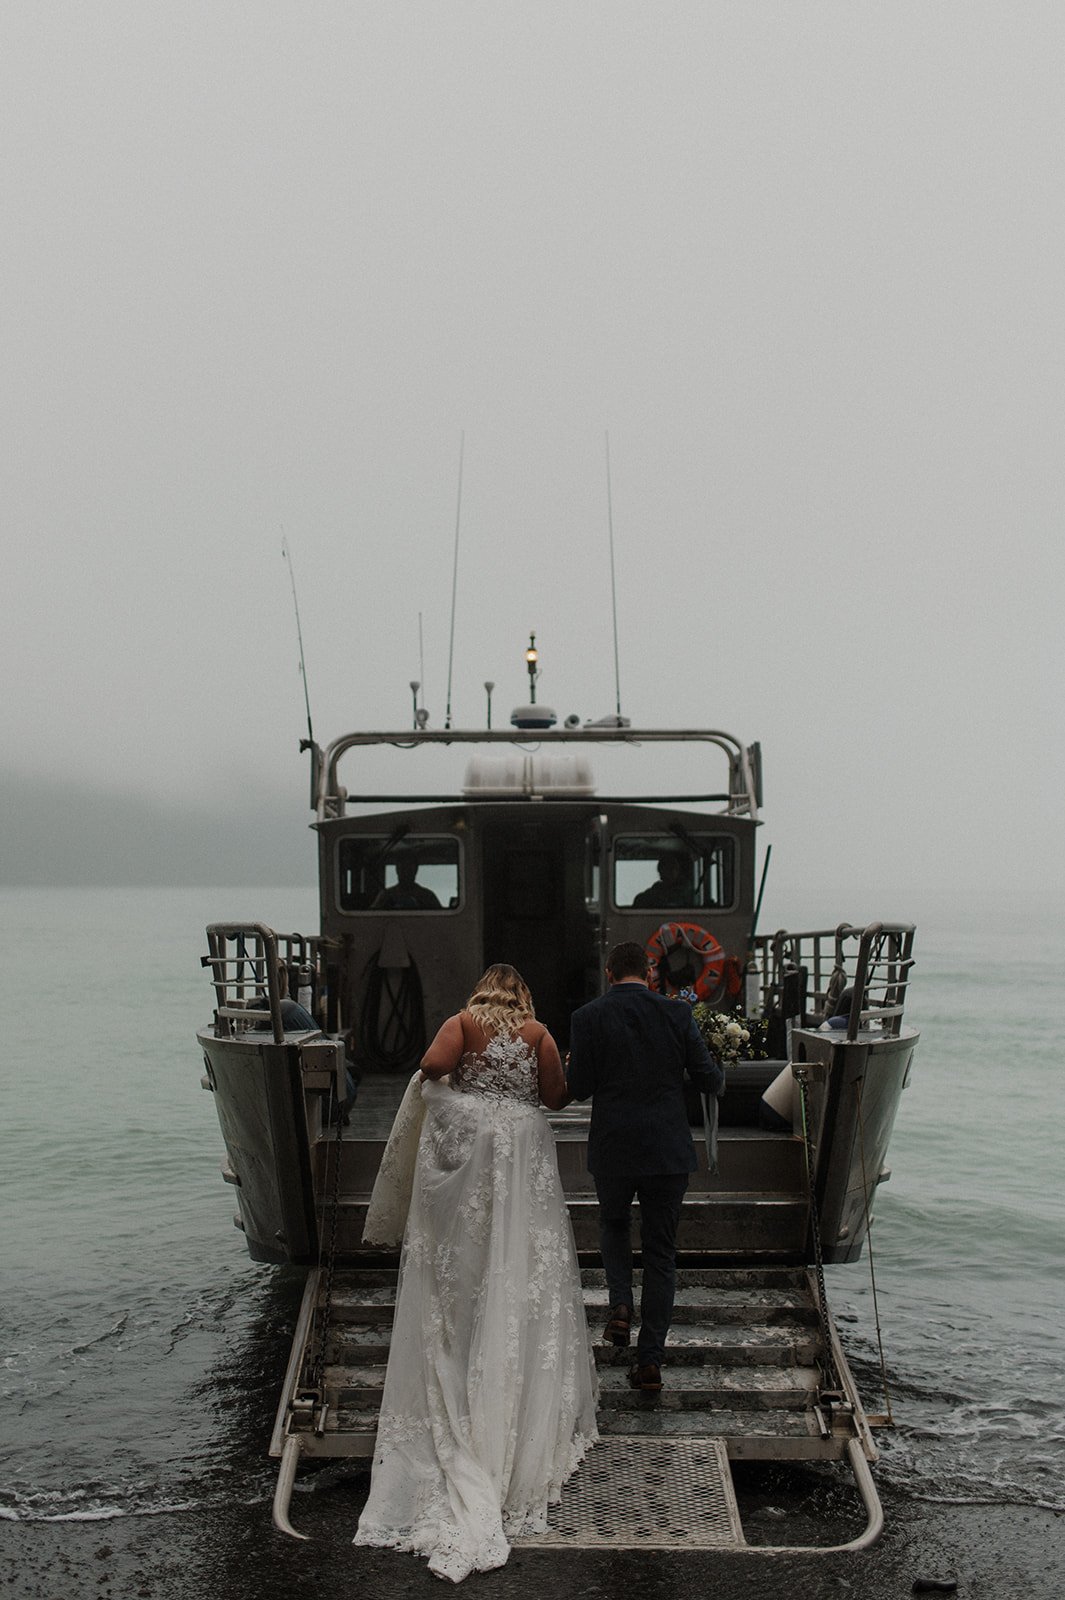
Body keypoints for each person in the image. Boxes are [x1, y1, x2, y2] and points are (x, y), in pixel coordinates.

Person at [353, 963, 598, 1583]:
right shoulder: (539, 1033)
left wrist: (466, 1098)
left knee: (464, 1254)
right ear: (522, 995)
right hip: (521, 1154)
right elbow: (554, 1098)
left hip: (474, 1157)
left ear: (482, 993)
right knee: (523, 1255)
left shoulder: (461, 1023)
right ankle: (510, 1422)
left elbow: (431, 1066)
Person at [566, 941, 724, 1393]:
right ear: (649, 973)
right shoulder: (677, 1014)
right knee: (660, 1253)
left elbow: (578, 1089)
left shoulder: (587, 1017)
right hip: (665, 1150)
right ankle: (650, 1360)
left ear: (610, 973)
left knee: (614, 1224)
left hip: (614, 1146)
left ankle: (619, 1305)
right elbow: (710, 1079)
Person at [372, 858, 442, 910]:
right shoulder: (385, 895)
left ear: (416, 870)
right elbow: (372, 916)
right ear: (397, 870)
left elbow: (440, 919)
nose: (406, 873)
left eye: (409, 869)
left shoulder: (427, 896)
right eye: (403, 868)